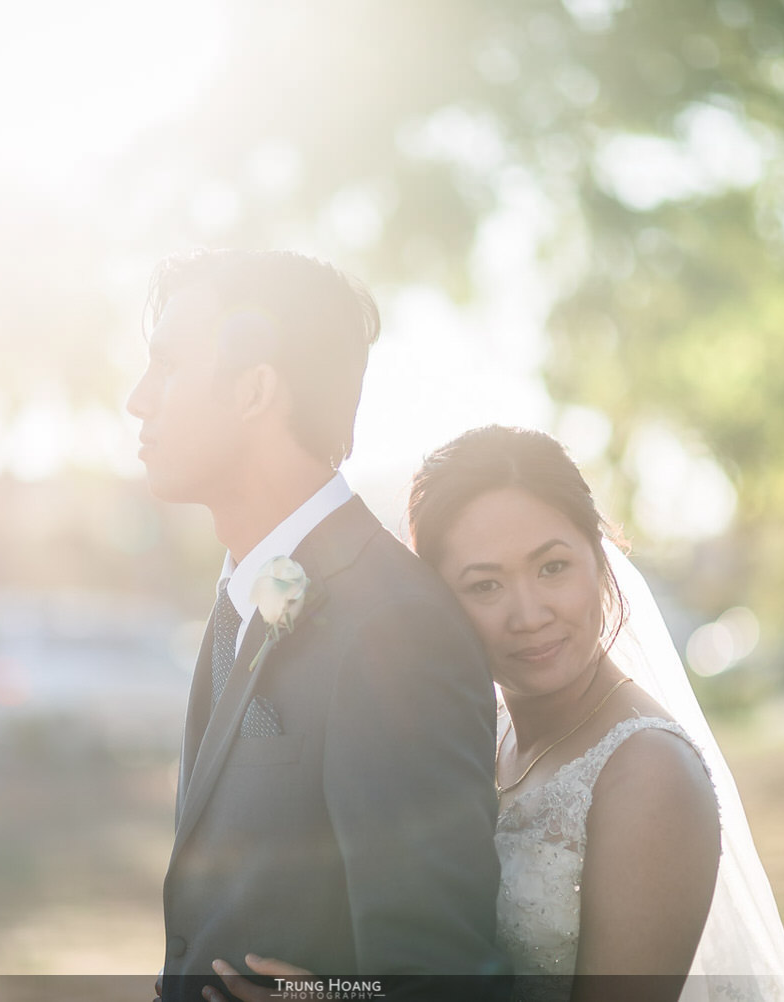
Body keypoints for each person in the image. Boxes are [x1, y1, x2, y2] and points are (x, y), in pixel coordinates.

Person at [210, 426, 784, 1002]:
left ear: (599, 560)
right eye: (485, 586)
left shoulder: (650, 774)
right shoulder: (475, 731)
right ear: (437, 601)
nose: (529, 614)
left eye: (552, 568)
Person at [126, 251, 509, 1002]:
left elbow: (446, 976)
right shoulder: (242, 593)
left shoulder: (393, 626)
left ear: (255, 390)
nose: (139, 400)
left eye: (166, 367)